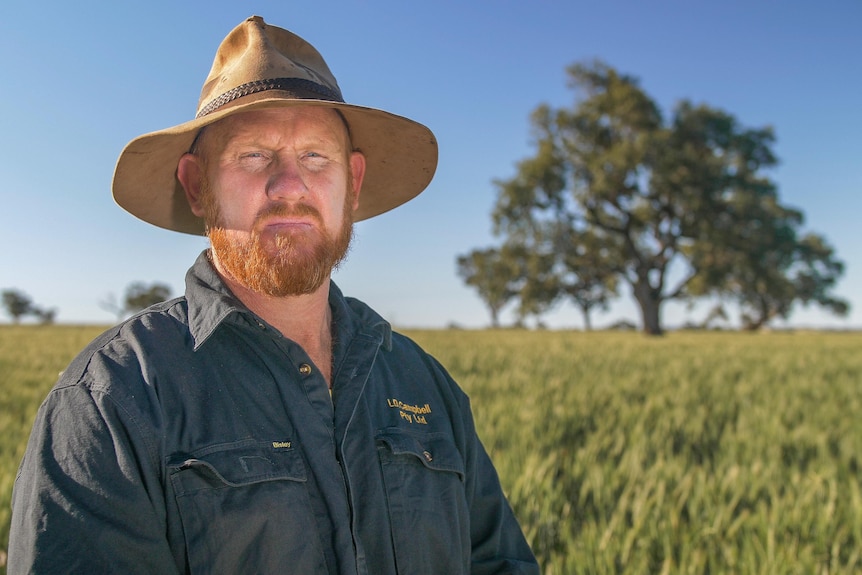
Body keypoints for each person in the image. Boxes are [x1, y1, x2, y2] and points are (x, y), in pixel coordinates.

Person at [8, 15, 539, 575]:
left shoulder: (424, 384)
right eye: (253, 155)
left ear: (352, 185)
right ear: (196, 185)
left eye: (316, 157)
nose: (290, 186)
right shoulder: (114, 402)